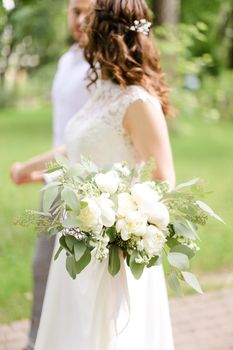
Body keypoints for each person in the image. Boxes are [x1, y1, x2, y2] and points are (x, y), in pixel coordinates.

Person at [12, 0, 176, 348]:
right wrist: (28, 169)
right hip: (74, 240)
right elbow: (76, 147)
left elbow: (163, 181)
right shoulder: (103, 91)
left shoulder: (139, 103)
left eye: (91, 19)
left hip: (111, 254)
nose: (82, 25)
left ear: (107, 33)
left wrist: (116, 225)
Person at [11, 1, 91, 349]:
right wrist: (40, 175)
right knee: (43, 271)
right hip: (55, 182)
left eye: (89, 11)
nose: (81, 19)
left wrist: (27, 166)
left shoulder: (102, 66)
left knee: (71, 277)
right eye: (75, 10)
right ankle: (37, 341)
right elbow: (64, 135)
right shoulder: (65, 61)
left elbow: (89, 139)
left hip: (89, 190)